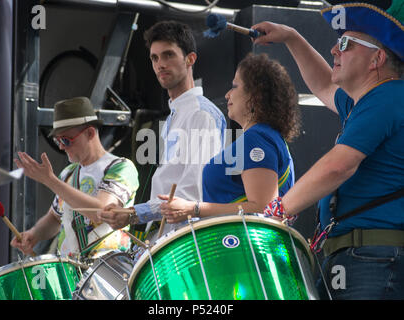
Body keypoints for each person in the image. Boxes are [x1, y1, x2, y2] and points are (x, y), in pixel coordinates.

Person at [257, 1, 404, 299]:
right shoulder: (367, 100)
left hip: (373, 258)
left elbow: (338, 166)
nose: (334, 50)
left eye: (345, 43)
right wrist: (290, 36)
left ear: (377, 58)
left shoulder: (388, 95)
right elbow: (324, 84)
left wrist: (276, 213)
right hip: (359, 257)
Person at [98, 21, 226, 238]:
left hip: (189, 240)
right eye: (154, 58)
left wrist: (134, 214)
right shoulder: (176, 115)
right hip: (170, 236)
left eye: (168, 55)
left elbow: (190, 196)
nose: (160, 64)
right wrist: (133, 215)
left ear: (190, 59)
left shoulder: (201, 115)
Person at [159, 53, 300, 222]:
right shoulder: (266, 136)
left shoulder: (257, 138)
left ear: (255, 95)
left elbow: (264, 208)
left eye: (234, 86)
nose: (227, 95)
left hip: (244, 246)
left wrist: (194, 208)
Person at [11, 96, 139, 258]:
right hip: (71, 270)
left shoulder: (121, 167)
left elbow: (100, 211)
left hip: (109, 266)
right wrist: (34, 234)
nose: (62, 146)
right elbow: (55, 218)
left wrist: (50, 181)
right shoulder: (68, 173)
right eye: (58, 141)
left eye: (66, 140)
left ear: (90, 133)